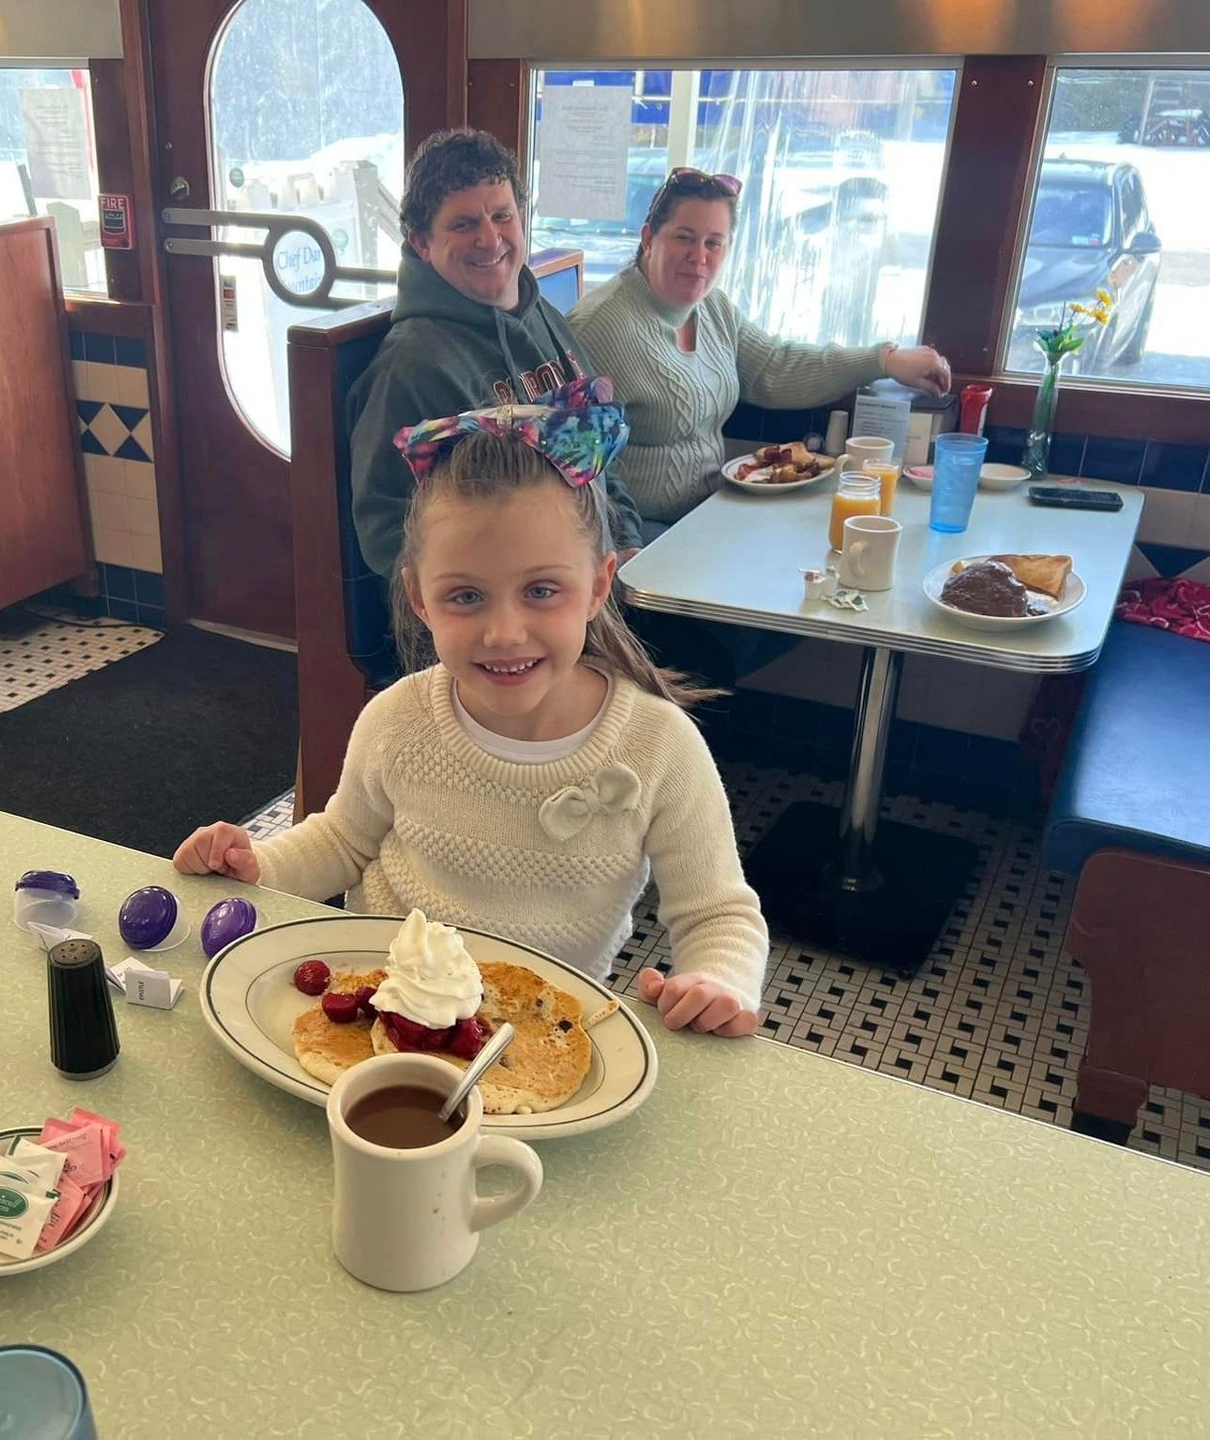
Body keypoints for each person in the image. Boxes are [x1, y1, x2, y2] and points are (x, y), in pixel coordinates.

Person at [178, 382, 767, 1037]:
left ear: (599, 585)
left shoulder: (658, 746)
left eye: (541, 590)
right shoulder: (398, 720)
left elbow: (718, 913)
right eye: (465, 597)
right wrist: (257, 865)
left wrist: (718, 982)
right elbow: (342, 842)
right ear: (420, 599)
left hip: (537, 1036)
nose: (504, 633)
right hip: (383, 1014)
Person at [569, 167, 951, 534]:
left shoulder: (713, 308)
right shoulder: (597, 328)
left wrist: (883, 360)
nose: (699, 256)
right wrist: (624, 543)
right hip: (640, 532)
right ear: (649, 238)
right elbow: (573, 467)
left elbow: (775, 366)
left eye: (713, 242)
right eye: (684, 238)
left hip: (711, 510)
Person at [348, 128, 643, 580]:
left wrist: (626, 541)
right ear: (421, 243)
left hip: (597, 580)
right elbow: (386, 533)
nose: (490, 239)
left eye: (502, 216)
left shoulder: (544, 316)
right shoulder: (407, 367)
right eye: (463, 225)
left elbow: (598, 456)